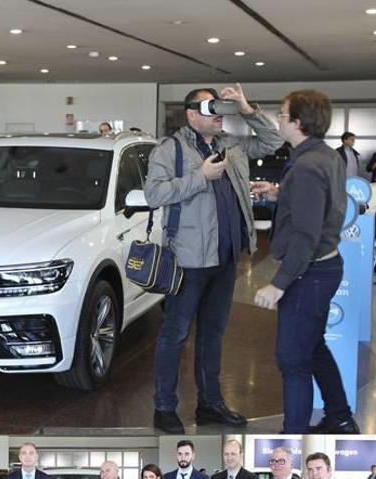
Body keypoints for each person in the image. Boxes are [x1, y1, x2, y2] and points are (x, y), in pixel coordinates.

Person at [143, 83, 283, 433]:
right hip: (189, 261)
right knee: (175, 334)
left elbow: (272, 142)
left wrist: (247, 108)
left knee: (213, 334)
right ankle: (164, 407)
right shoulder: (170, 150)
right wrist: (199, 177)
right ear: (191, 114)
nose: (219, 114)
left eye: (221, 108)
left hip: (225, 259)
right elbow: (154, 193)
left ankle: (210, 404)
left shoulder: (231, 145)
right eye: (210, 109)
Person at [252, 89, 360, 434]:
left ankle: (292, 440)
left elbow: (305, 236)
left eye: (282, 115)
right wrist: (281, 193)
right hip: (321, 268)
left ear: (297, 122)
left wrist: (277, 283)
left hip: (309, 273)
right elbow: (321, 204)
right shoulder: (323, 156)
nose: (279, 120)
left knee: (293, 360)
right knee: (312, 348)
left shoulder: (308, 166)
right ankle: (340, 417)